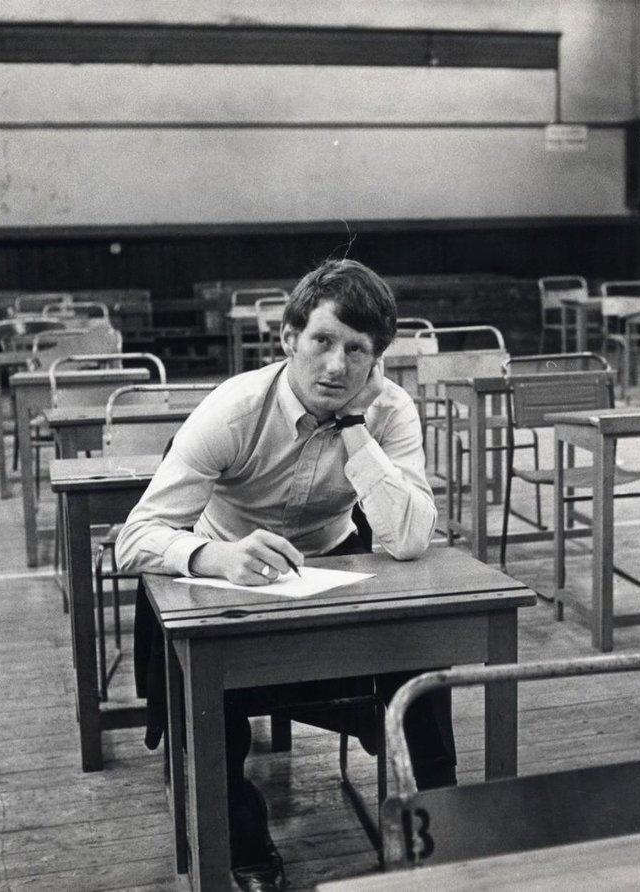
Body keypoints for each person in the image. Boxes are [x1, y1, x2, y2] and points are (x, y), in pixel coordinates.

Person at [116, 258, 456, 892]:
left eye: (358, 351)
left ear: (377, 360)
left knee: (423, 663)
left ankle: (435, 840)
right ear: (288, 339)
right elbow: (132, 540)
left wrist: (356, 427)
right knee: (211, 695)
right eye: (323, 341)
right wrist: (212, 556)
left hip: (333, 563)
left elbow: (409, 541)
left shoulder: (389, 409)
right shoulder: (234, 410)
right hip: (227, 570)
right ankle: (243, 847)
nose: (336, 366)